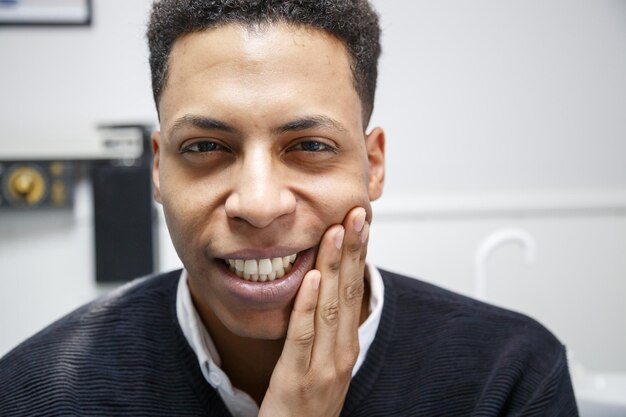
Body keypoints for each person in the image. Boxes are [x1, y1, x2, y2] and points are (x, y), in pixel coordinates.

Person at [0, 1, 579, 416]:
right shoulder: (36, 392)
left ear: (372, 165)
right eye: (205, 147)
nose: (257, 204)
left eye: (309, 146)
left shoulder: (509, 379)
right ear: (158, 168)